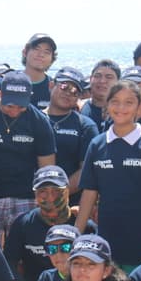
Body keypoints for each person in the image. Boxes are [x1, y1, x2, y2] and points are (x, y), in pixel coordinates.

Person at [76, 79, 141, 270]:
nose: (121, 108)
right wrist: (77, 236)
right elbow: (88, 195)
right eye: (115, 101)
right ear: (107, 105)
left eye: (129, 102)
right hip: (109, 241)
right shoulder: (97, 145)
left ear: (139, 106)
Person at [0, 71, 57, 245]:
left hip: (25, 198)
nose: (14, 110)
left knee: (25, 249)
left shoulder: (39, 121)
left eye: (21, 106)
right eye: (10, 105)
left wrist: (44, 205)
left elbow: (47, 170)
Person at [5, 166, 83, 281]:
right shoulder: (23, 224)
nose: (50, 197)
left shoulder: (82, 223)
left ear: (67, 191)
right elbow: (8, 263)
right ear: (35, 194)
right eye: (43, 191)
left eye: (56, 190)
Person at [45, 67, 99, 196]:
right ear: (51, 85)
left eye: (75, 91)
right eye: (64, 86)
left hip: (70, 200)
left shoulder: (86, 126)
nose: (68, 93)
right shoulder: (34, 119)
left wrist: (57, 196)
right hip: (30, 197)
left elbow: (86, 169)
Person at [21, 34, 58, 109]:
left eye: (47, 52)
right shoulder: (6, 83)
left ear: (52, 59)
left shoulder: (55, 89)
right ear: (25, 52)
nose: (41, 54)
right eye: (36, 49)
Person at [82, 59, 119, 129]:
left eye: (109, 77)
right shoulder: (78, 109)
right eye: (98, 76)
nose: (102, 81)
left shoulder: (124, 112)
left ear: (118, 82)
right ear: (90, 79)